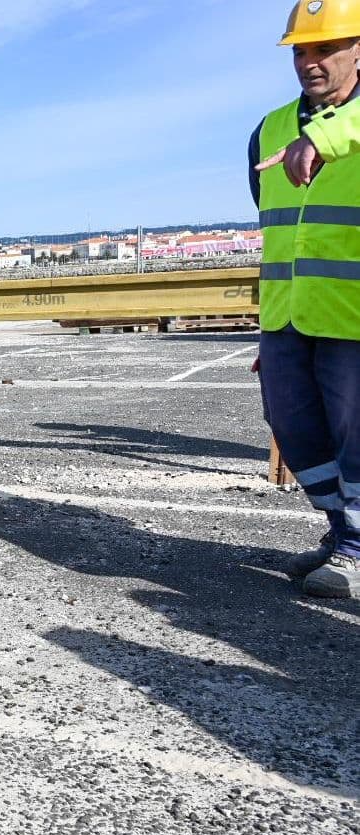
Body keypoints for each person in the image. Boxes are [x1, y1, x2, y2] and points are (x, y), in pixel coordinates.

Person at [249, 0, 360, 599]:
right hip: (288, 314)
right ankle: (340, 529)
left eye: (325, 48)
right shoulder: (269, 130)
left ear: (358, 50)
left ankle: (357, 549)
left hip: (354, 317)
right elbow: (274, 225)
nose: (311, 62)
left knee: (358, 435)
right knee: (294, 427)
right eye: (301, 50)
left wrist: (327, 136)